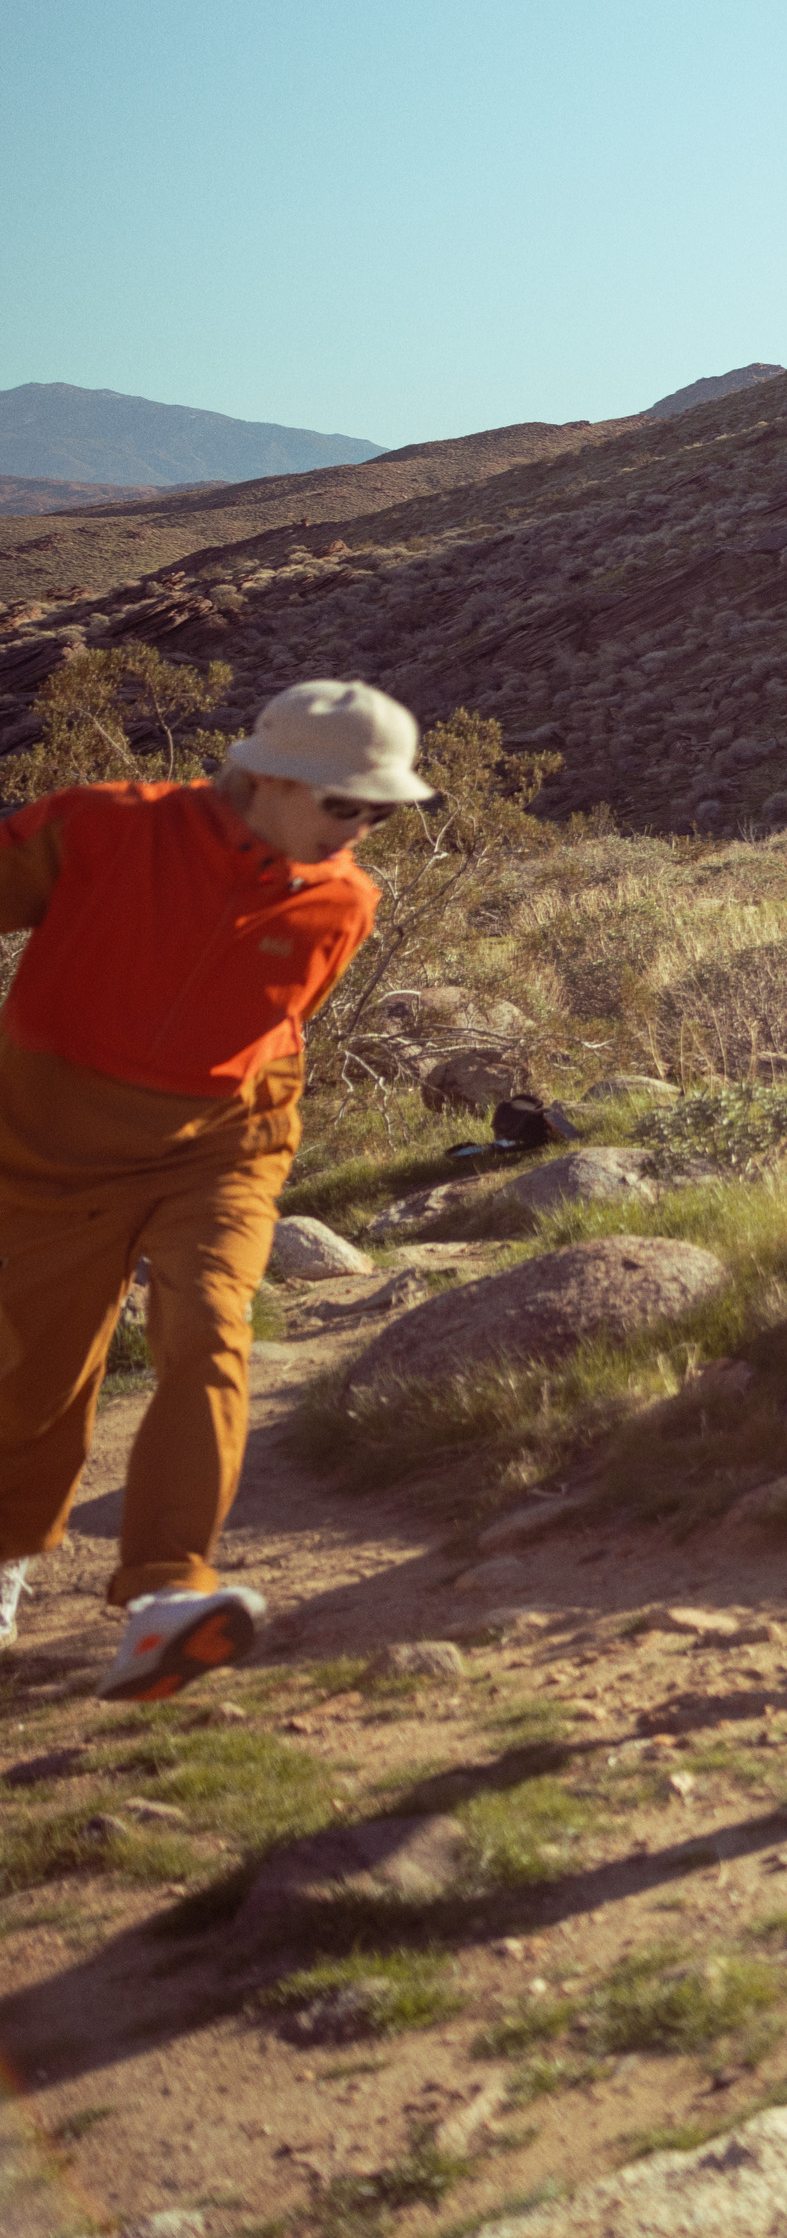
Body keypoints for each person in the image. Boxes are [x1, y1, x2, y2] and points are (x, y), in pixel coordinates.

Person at [0, 679, 430, 1701]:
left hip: (227, 1145)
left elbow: (281, 1023)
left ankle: (167, 1595)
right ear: (269, 776)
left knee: (210, 1325)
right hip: (50, 1146)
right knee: (39, 1370)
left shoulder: (347, 900)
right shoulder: (103, 826)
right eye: (344, 803)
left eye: (381, 810)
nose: (363, 826)